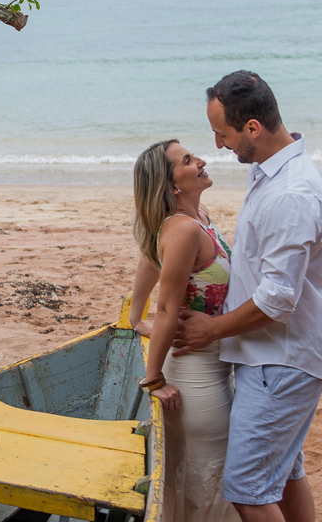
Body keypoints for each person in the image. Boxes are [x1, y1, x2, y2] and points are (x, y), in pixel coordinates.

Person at [174, 71, 322, 522]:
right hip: (273, 356)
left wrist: (211, 329)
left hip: (280, 361)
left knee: (247, 491)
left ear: (252, 128)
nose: (218, 144)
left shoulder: (291, 193)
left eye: (223, 134)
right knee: (284, 475)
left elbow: (278, 299)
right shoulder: (272, 171)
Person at [129, 139, 241, 522]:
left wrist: (134, 316)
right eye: (188, 161)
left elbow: (151, 256)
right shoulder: (182, 230)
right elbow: (166, 309)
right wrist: (153, 380)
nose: (202, 161)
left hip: (215, 367)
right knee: (206, 489)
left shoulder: (198, 217)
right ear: (172, 184)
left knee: (203, 487)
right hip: (196, 381)